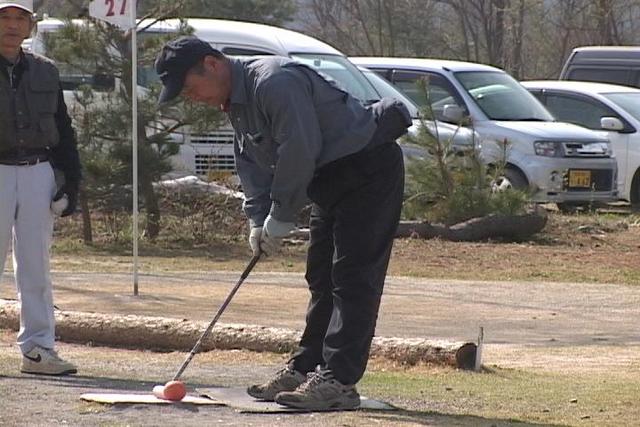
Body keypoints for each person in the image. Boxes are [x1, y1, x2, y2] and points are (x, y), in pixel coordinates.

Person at [155, 35, 408, 410]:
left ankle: (338, 381)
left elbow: (299, 149)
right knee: (321, 278)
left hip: (367, 168)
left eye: (190, 88)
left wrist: (282, 214)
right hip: (329, 179)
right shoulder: (236, 103)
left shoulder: (274, 81)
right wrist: (258, 220)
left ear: (212, 64)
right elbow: (251, 166)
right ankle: (306, 367)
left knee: (353, 278)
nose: (192, 98)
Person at [0, 0, 81, 375]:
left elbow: (64, 130)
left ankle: (38, 348)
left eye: (21, 18)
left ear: (31, 25)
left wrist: (71, 180)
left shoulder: (46, 71)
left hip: (37, 170)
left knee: (36, 266)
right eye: (4, 17)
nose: (13, 25)